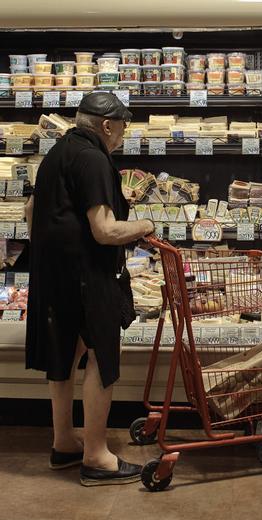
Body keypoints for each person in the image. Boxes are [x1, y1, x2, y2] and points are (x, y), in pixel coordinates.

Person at [25, 92, 154, 486]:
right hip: (87, 277)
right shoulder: (95, 158)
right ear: (107, 126)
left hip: (53, 276)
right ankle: (96, 456)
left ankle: (64, 441)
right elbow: (105, 230)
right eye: (123, 128)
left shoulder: (56, 153)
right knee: (100, 357)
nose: (123, 135)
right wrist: (144, 226)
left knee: (64, 356)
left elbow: (32, 214)